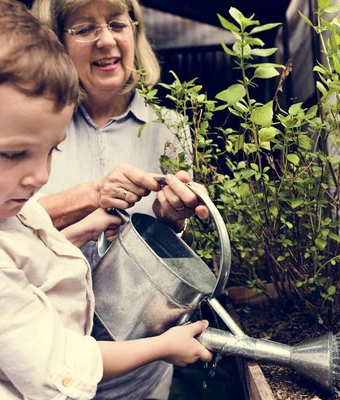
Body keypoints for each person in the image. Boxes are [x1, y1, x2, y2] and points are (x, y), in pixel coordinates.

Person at [0, 1, 213, 399]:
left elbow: (21, 245)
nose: (40, 176)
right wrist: (163, 347)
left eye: (52, 150)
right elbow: (61, 366)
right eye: (14, 154)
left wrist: (83, 229)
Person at [30, 1, 208, 399]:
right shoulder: (34, 123)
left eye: (116, 24)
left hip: (140, 358)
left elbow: (168, 245)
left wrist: (173, 215)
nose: (106, 40)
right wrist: (90, 194)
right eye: (84, 29)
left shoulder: (169, 127)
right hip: (44, 350)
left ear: (135, 33)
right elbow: (3, 224)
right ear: (56, 43)